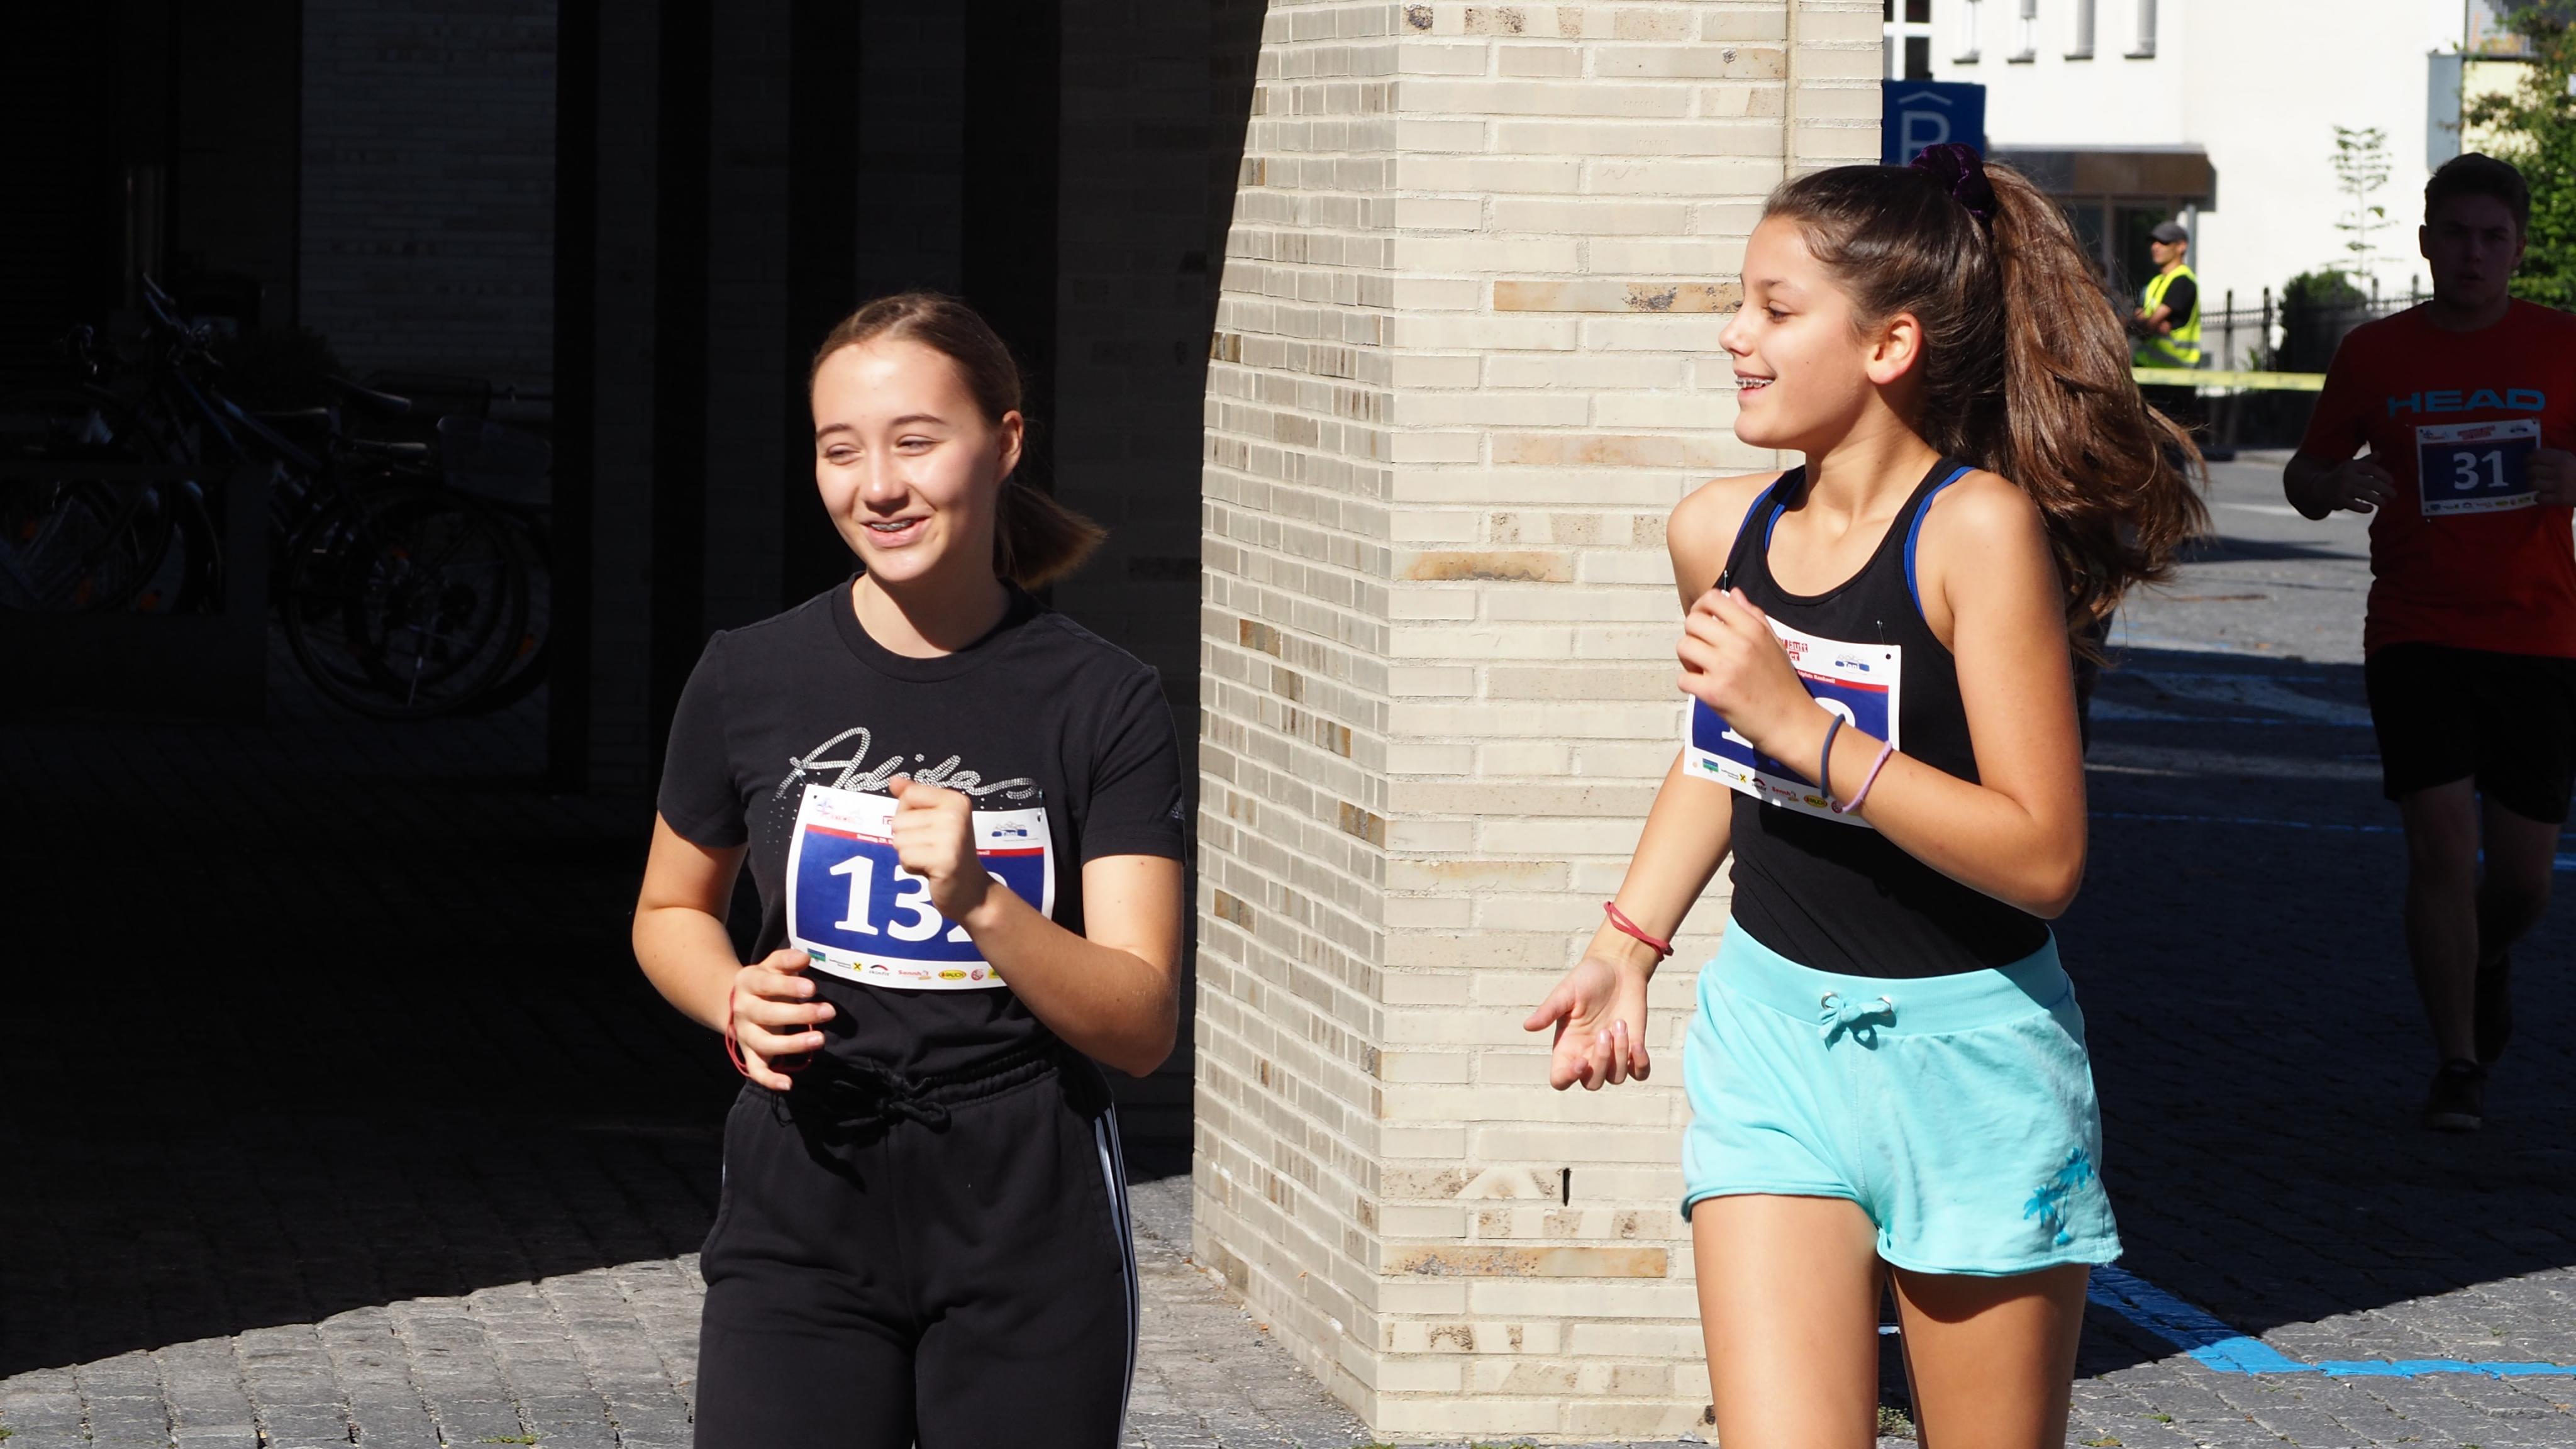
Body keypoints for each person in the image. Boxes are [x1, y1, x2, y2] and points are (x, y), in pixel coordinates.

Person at [1523, 145, 2204, 1448]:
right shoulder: (1714, 530)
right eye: (1740, 302)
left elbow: (2043, 856)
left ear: (1889, 345)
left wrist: (1810, 732)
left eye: (1775, 310)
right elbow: (1721, 755)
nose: (1733, 334)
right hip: (1771, 1041)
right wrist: (1626, 944)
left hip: (1971, 1062)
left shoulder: (1976, 532)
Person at [631, 292, 1187, 1446]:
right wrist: (730, 993)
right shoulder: (747, 675)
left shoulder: (1106, 700)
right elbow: (669, 907)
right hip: (802, 1193)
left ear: (1006, 441)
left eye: (916, 441)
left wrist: (983, 900)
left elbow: (1139, 1024)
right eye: (841, 451)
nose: (877, 485)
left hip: (1026, 1206)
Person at [2282, 153, 2576, 1133]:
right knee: (2441, 845)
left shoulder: (2561, 344)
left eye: (2493, 238)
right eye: (2456, 234)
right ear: (2425, 243)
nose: (2473, 254)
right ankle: (2459, 1062)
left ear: (2519, 250)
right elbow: (2304, 473)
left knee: (2524, 880)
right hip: (2416, 629)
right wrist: (2333, 486)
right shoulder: (2376, 353)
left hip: (2539, 632)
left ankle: (2484, 957)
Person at [2131, 218, 2205, 436]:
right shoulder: (2154, 283)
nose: (2155, 247)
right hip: (2147, 377)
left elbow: (2145, 326)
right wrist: (2148, 323)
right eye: (2154, 242)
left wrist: (2148, 322)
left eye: (2164, 242)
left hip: (2174, 382)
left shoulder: (2183, 282)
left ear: (2181, 246)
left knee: (2171, 442)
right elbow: (2136, 322)